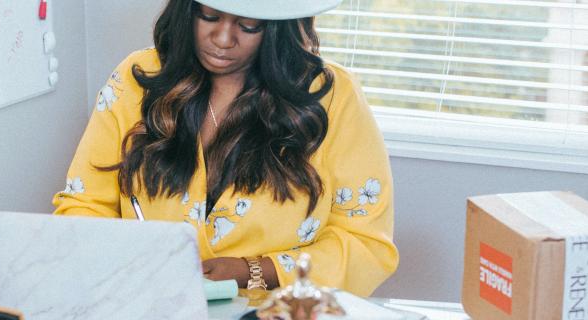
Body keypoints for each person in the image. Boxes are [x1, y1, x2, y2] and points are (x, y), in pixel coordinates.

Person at [53, 0, 399, 297]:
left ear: (279, 26)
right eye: (209, 16)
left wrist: (254, 270)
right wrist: (128, 261)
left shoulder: (330, 97)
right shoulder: (136, 78)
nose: (222, 39)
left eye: (248, 25)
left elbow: (366, 245)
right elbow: (83, 205)